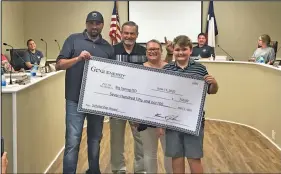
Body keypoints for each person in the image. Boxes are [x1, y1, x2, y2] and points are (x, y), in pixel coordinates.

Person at [55, 11, 114, 174]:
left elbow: (112, 76)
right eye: (91, 23)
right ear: (86, 24)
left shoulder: (108, 48)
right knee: (73, 141)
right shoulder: (73, 40)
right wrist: (78, 59)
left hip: (97, 101)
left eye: (97, 23)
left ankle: (94, 171)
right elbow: (58, 65)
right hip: (74, 99)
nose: (94, 26)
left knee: (95, 140)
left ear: (102, 25)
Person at [162, 35, 218, 173]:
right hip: (173, 119)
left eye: (184, 49)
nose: (180, 53)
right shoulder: (167, 69)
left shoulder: (200, 69)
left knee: (194, 157)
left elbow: (211, 91)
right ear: (173, 51)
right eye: (177, 49)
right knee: (176, 156)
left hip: (194, 120)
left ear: (190, 50)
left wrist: (214, 83)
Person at [110, 21, 146, 174]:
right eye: (126, 33)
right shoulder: (111, 51)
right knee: (116, 138)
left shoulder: (144, 51)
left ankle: (141, 170)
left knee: (141, 139)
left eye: (132, 33)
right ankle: (118, 169)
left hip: (138, 104)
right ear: (121, 34)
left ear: (137, 35)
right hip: (117, 102)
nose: (129, 36)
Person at [136, 39, 172, 173]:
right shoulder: (139, 69)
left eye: (156, 49)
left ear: (161, 51)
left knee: (169, 153)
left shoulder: (169, 68)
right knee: (149, 154)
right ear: (146, 52)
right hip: (147, 116)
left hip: (168, 117)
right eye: (150, 49)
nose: (153, 51)